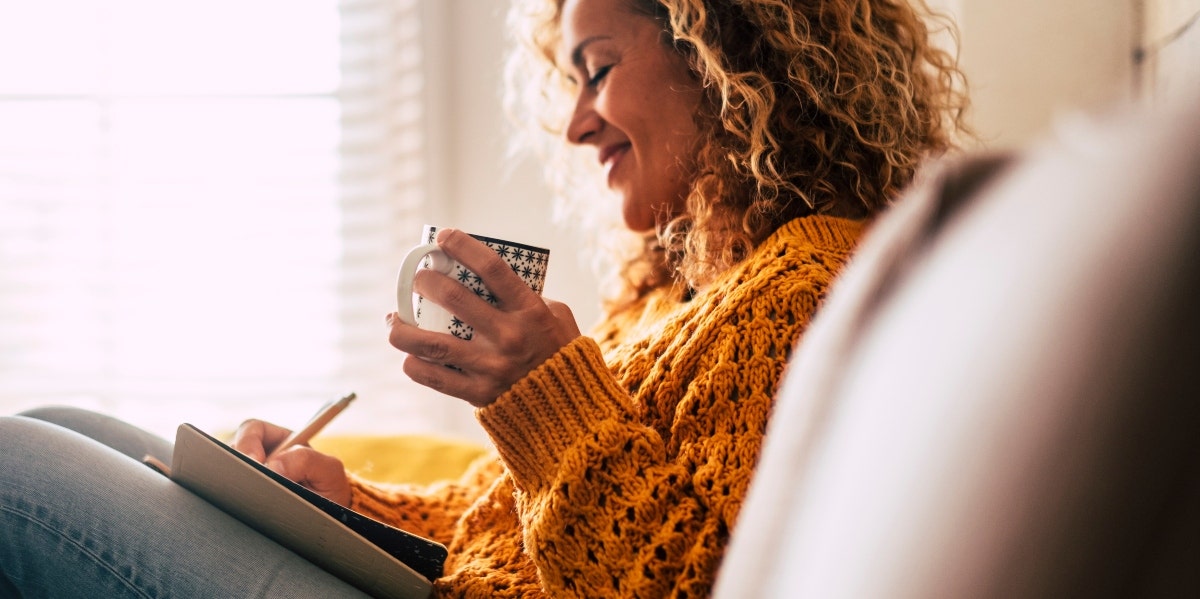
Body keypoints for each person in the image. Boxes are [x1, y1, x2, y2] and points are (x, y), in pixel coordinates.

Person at [0, 0, 968, 596]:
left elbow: (686, 582)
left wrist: (545, 398)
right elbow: (501, 525)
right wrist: (344, 506)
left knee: (14, 467)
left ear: (723, 52)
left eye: (598, 68)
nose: (580, 123)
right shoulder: (679, 293)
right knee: (61, 419)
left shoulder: (803, 290)